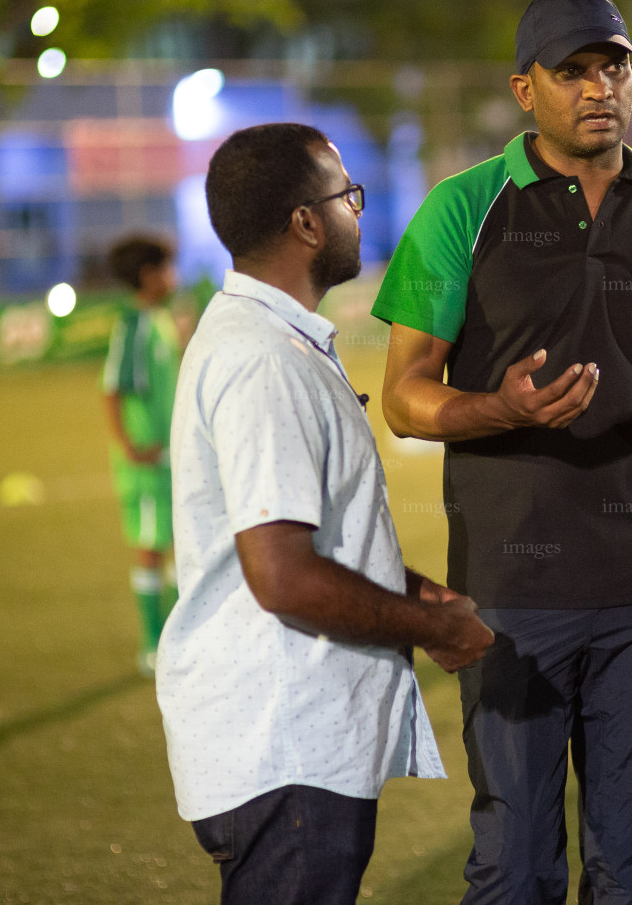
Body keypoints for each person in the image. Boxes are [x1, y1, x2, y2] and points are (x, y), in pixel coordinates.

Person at [371, 0, 632, 904]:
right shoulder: (462, 210)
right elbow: (405, 399)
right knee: (515, 866)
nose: (598, 89)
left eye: (613, 67)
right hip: (513, 592)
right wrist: (501, 409)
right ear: (523, 88)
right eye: (570, 71)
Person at [159, 123, 494, 905]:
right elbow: (281, 575)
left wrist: (409, 591)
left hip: (288, 744)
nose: (358, 212)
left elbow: (310, 538)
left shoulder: (274, 339)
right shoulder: (263, 359)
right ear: (307, 224)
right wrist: (432, 628)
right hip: (283, 742)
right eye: (349, 197)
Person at [102, 235, 181, 675]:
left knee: (172, 545)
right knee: (150, 550)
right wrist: (129, 446)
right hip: (146, 465)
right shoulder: (133, 325)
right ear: (149, 275)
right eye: (168, 268)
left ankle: (174, 634)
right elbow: (111, 388)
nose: (174, 277)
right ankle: (152, 646)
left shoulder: (160, 321)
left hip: (169, 459)